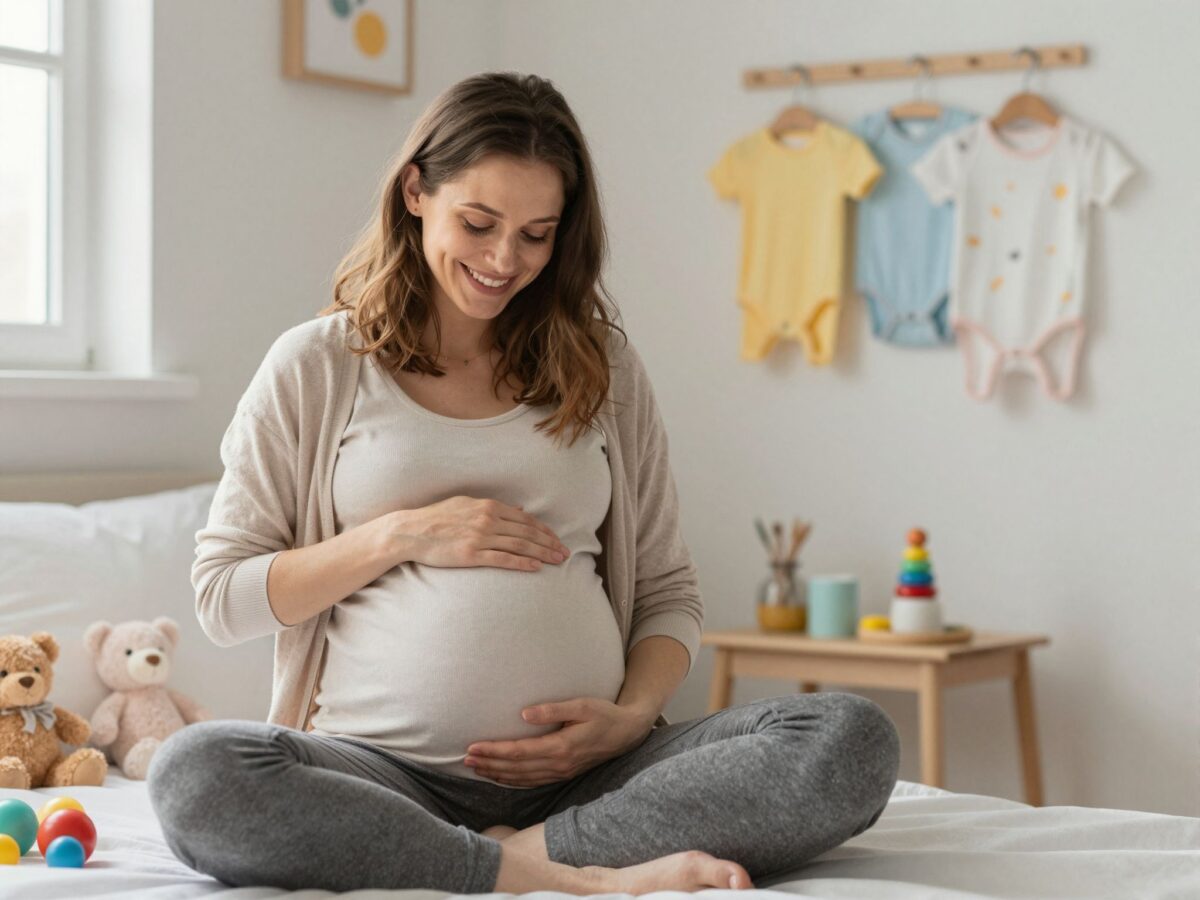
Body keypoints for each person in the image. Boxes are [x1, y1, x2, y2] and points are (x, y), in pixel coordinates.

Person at [147, 71, 900, 895]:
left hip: (593, 779)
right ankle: (569, 876)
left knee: (847, 738)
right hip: (381, 777)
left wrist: (627, 720)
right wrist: (402, 534)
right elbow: (224, 597)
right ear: (415, 193)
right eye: (479, 223)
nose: (505, 260)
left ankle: (527, 851)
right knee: (196, 775)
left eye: (537, 234)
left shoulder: (602, 366)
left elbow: (668, 592)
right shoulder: (317, 366)